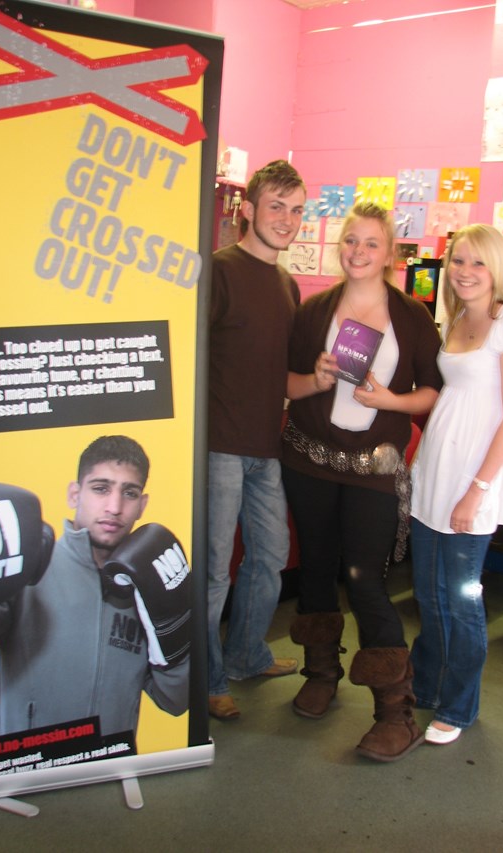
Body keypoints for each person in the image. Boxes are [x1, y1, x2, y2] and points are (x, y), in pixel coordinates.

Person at [282, 202, 443, 762]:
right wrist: (317, 376)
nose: (357, 251)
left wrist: (389, 400)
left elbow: (432, 393)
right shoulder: (315, 309)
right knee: (318, 568)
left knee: (365, 579)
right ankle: (321, 671)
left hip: (373, 469)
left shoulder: (412, 315)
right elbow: (289, 383)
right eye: (350, 240)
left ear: (391, 253)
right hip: (308, 459)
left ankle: (394, 711)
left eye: (371, 243)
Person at [0, 435, 190, 741]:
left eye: (129, 493)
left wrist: (177, 628)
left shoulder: (148, 580)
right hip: (27, 770)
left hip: (109, 767)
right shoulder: (27, 568)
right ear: (75, 495)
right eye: (101, 488)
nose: (114, 507)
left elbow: (176, 701)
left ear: (142, 505)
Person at [409, 223, 503, 745]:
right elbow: (453, 400)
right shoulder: (456, 317)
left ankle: (458, 707)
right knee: (427, 592)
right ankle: (425, 683)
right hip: (434, 474)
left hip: (474, 483)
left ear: (496, 269)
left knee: (459, 599)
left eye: (477, 262)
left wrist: (477, 490)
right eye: (457, 260)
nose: (465, 271)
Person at [207, 160, 306, 720]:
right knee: (215, 570)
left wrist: (321, 377)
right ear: (248, 209)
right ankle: (209, 677)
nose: (287, 220)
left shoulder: (287, 283)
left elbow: (281, 375)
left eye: (296, 210)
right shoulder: (219, 270)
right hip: (220, 445)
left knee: (269, 557)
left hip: (267, 448)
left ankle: (247, 655)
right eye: (276, 207)